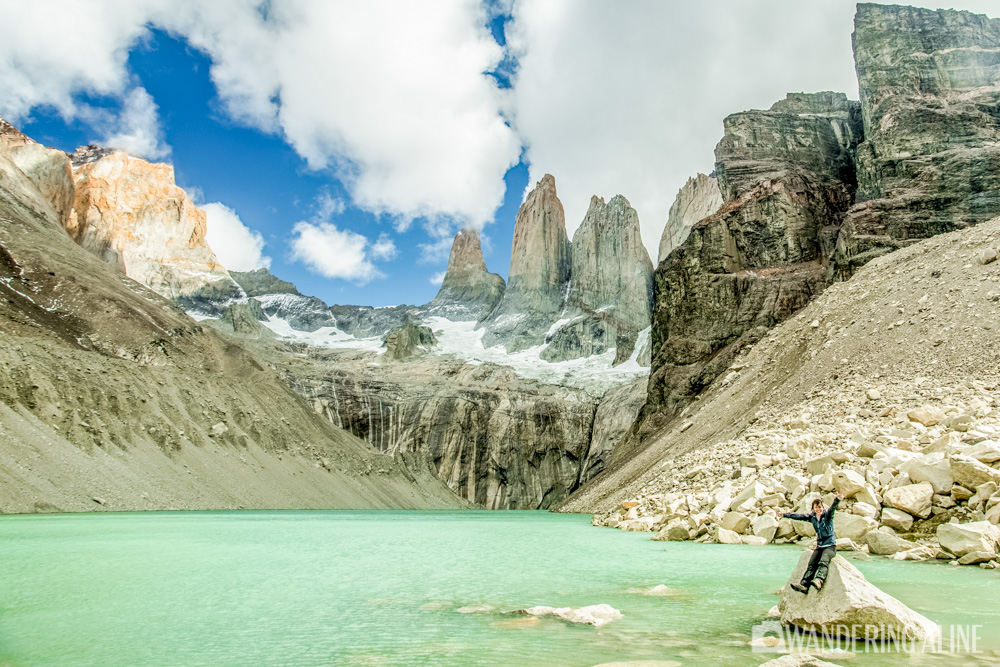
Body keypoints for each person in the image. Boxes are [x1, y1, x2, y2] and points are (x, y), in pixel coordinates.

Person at [781, 492, 845, 593]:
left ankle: (819, 580)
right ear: (813, 509)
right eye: (816, 507)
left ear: (823, 507)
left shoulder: (827, 516)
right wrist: (785, 515)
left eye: (820, 507)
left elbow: (832, 508)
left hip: (830, 546)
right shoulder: (812, 517)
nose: (818, 509)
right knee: (812, 564)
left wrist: (838, 499)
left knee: (823, 561)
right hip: (820, 546)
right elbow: (799, 516)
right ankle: (804, 585)